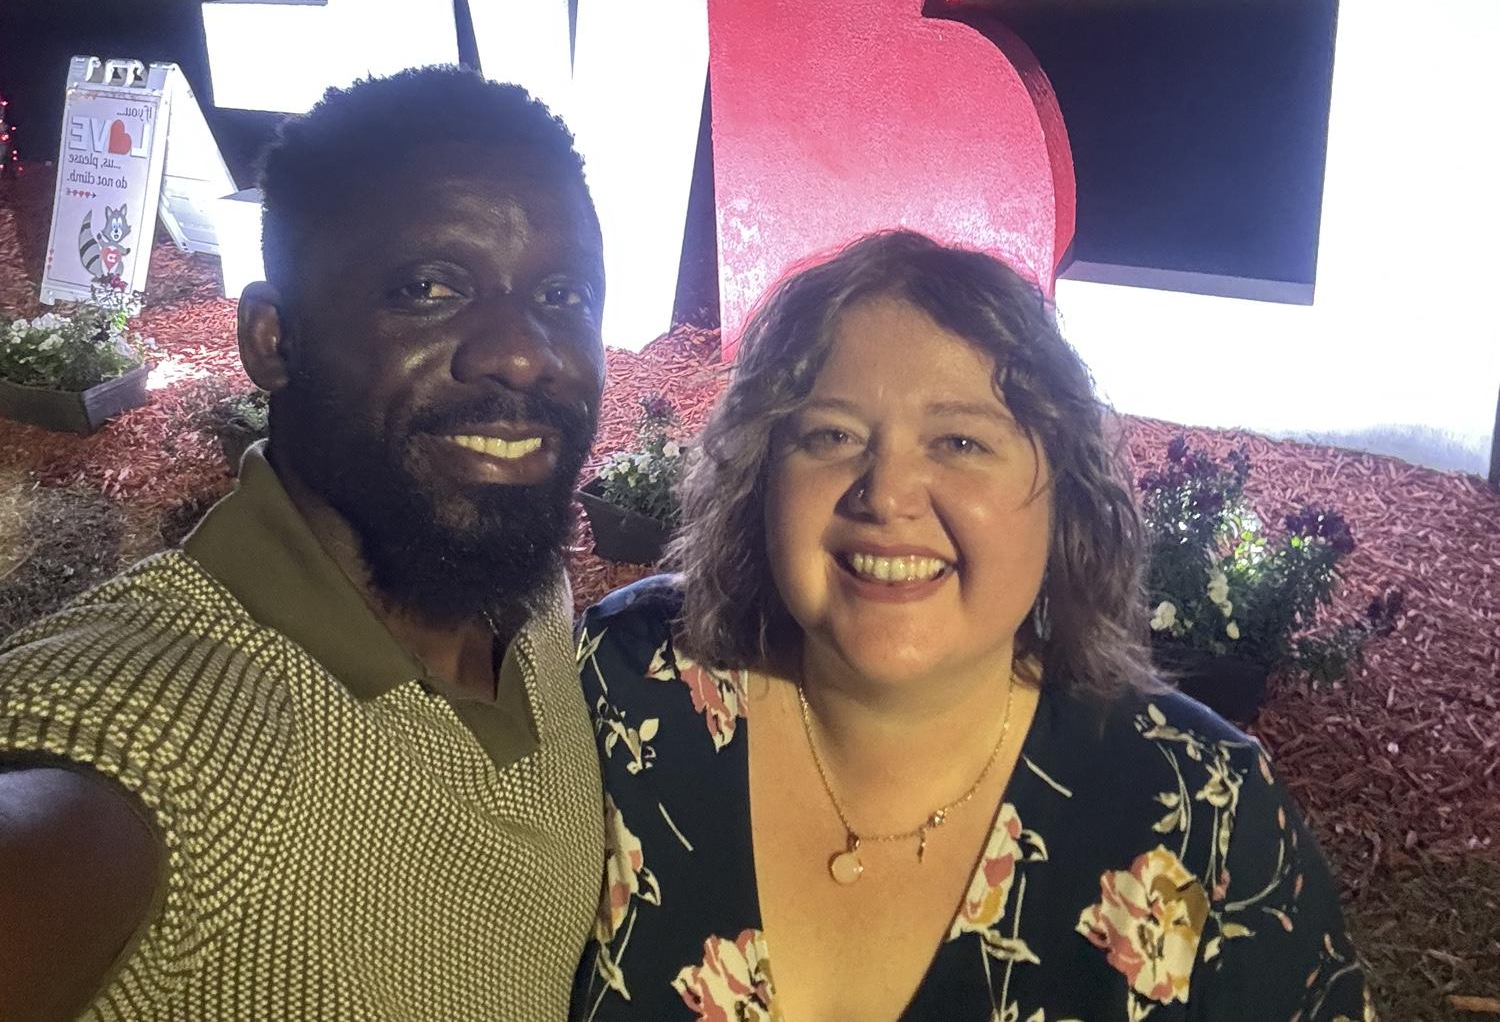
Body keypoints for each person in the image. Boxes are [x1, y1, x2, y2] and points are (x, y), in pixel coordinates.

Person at [573, 231, 1370, 1021]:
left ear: (1062, 500)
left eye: (960, 441)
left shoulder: (1210, 821)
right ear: (762, 477)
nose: (888, 494)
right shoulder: (626, 690)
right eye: (833, 435)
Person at [0, 66, 610, 1021]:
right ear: (272, 341)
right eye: (428, 288)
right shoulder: (170, 729)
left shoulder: (528, 598)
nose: (525, 352)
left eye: (564, 293)